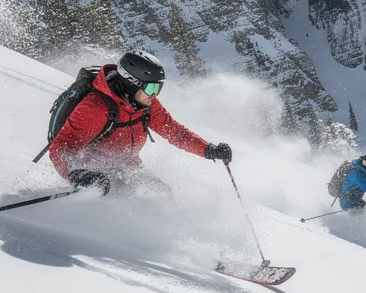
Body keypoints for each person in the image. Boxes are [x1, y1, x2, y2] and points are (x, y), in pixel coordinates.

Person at [48, 50, 232, 195]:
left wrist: (208, 149)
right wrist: (77, 174)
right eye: (151, 88)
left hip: (128, 166)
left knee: (160, 194)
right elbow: (61, 146)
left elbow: (174, 131)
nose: (155, 94)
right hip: (94, 171)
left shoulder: (146, 104)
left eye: (159, 88)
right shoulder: (96, 108)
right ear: (131, 83)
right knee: (116, 202)